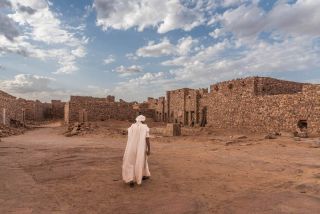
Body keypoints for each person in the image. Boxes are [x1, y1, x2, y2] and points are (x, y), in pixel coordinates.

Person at [122, 115, 151, 187]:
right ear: (143, 120)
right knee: (140, 162)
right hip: (141, 148)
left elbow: (129, 135)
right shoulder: (145, 127)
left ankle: (131, 178)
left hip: (131, 148)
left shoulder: (132, 127)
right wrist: (149, 149)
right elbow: (147, 139)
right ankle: (139, 177)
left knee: (130, 162)